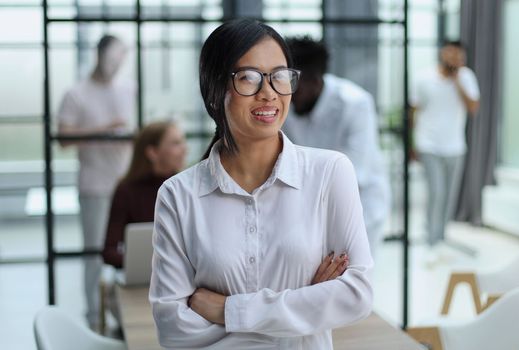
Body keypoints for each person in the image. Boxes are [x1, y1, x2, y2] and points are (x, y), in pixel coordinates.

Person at [149, 19, 373, 349]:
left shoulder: (330, 172)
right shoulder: (178, 195)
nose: (269, 93)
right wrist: (306, 303)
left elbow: (356, 295)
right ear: (214, 88)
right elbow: (173, 328)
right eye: (248, 78)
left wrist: (228, 310)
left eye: (280, 76)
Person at [282, 36, 390, 258]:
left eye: (294, 86)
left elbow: (353, 174)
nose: (288, 96)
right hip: (309, 212)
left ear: (313, 80)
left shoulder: (355, 104)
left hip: (361, 208)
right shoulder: (288, 105)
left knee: (351, 283)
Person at [56, 34, 135, 329]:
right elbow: (63, 137)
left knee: (132, 251)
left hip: (125, 183)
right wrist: (105, 130)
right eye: (112, 58)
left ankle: (120, 315)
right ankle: (92, 319)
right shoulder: (77, 93)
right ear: (98, 55)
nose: (116, 65)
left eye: (121, 58)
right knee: (94, 253)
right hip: (95, 185)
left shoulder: (128, 88)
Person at [410, 41, 480, 262]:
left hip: (455, 146)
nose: (455, 58)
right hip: (429, 144)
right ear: (443, 53)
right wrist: (412, 144)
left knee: (449, 196)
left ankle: (440, 237)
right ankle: (431, 241)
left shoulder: (466, 77)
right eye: (451, 53)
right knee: (436, 192)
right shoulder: (423, 77)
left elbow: (472, 108)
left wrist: (457, 80)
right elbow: (414, 110)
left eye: (459, 55)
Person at [102, 120, 187, 269]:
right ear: (152, 152)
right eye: (175, 143)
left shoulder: (185, 187)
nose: (184, 149)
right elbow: (109, 251)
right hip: (143, 280)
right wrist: (143, 265)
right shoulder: (126, 190)